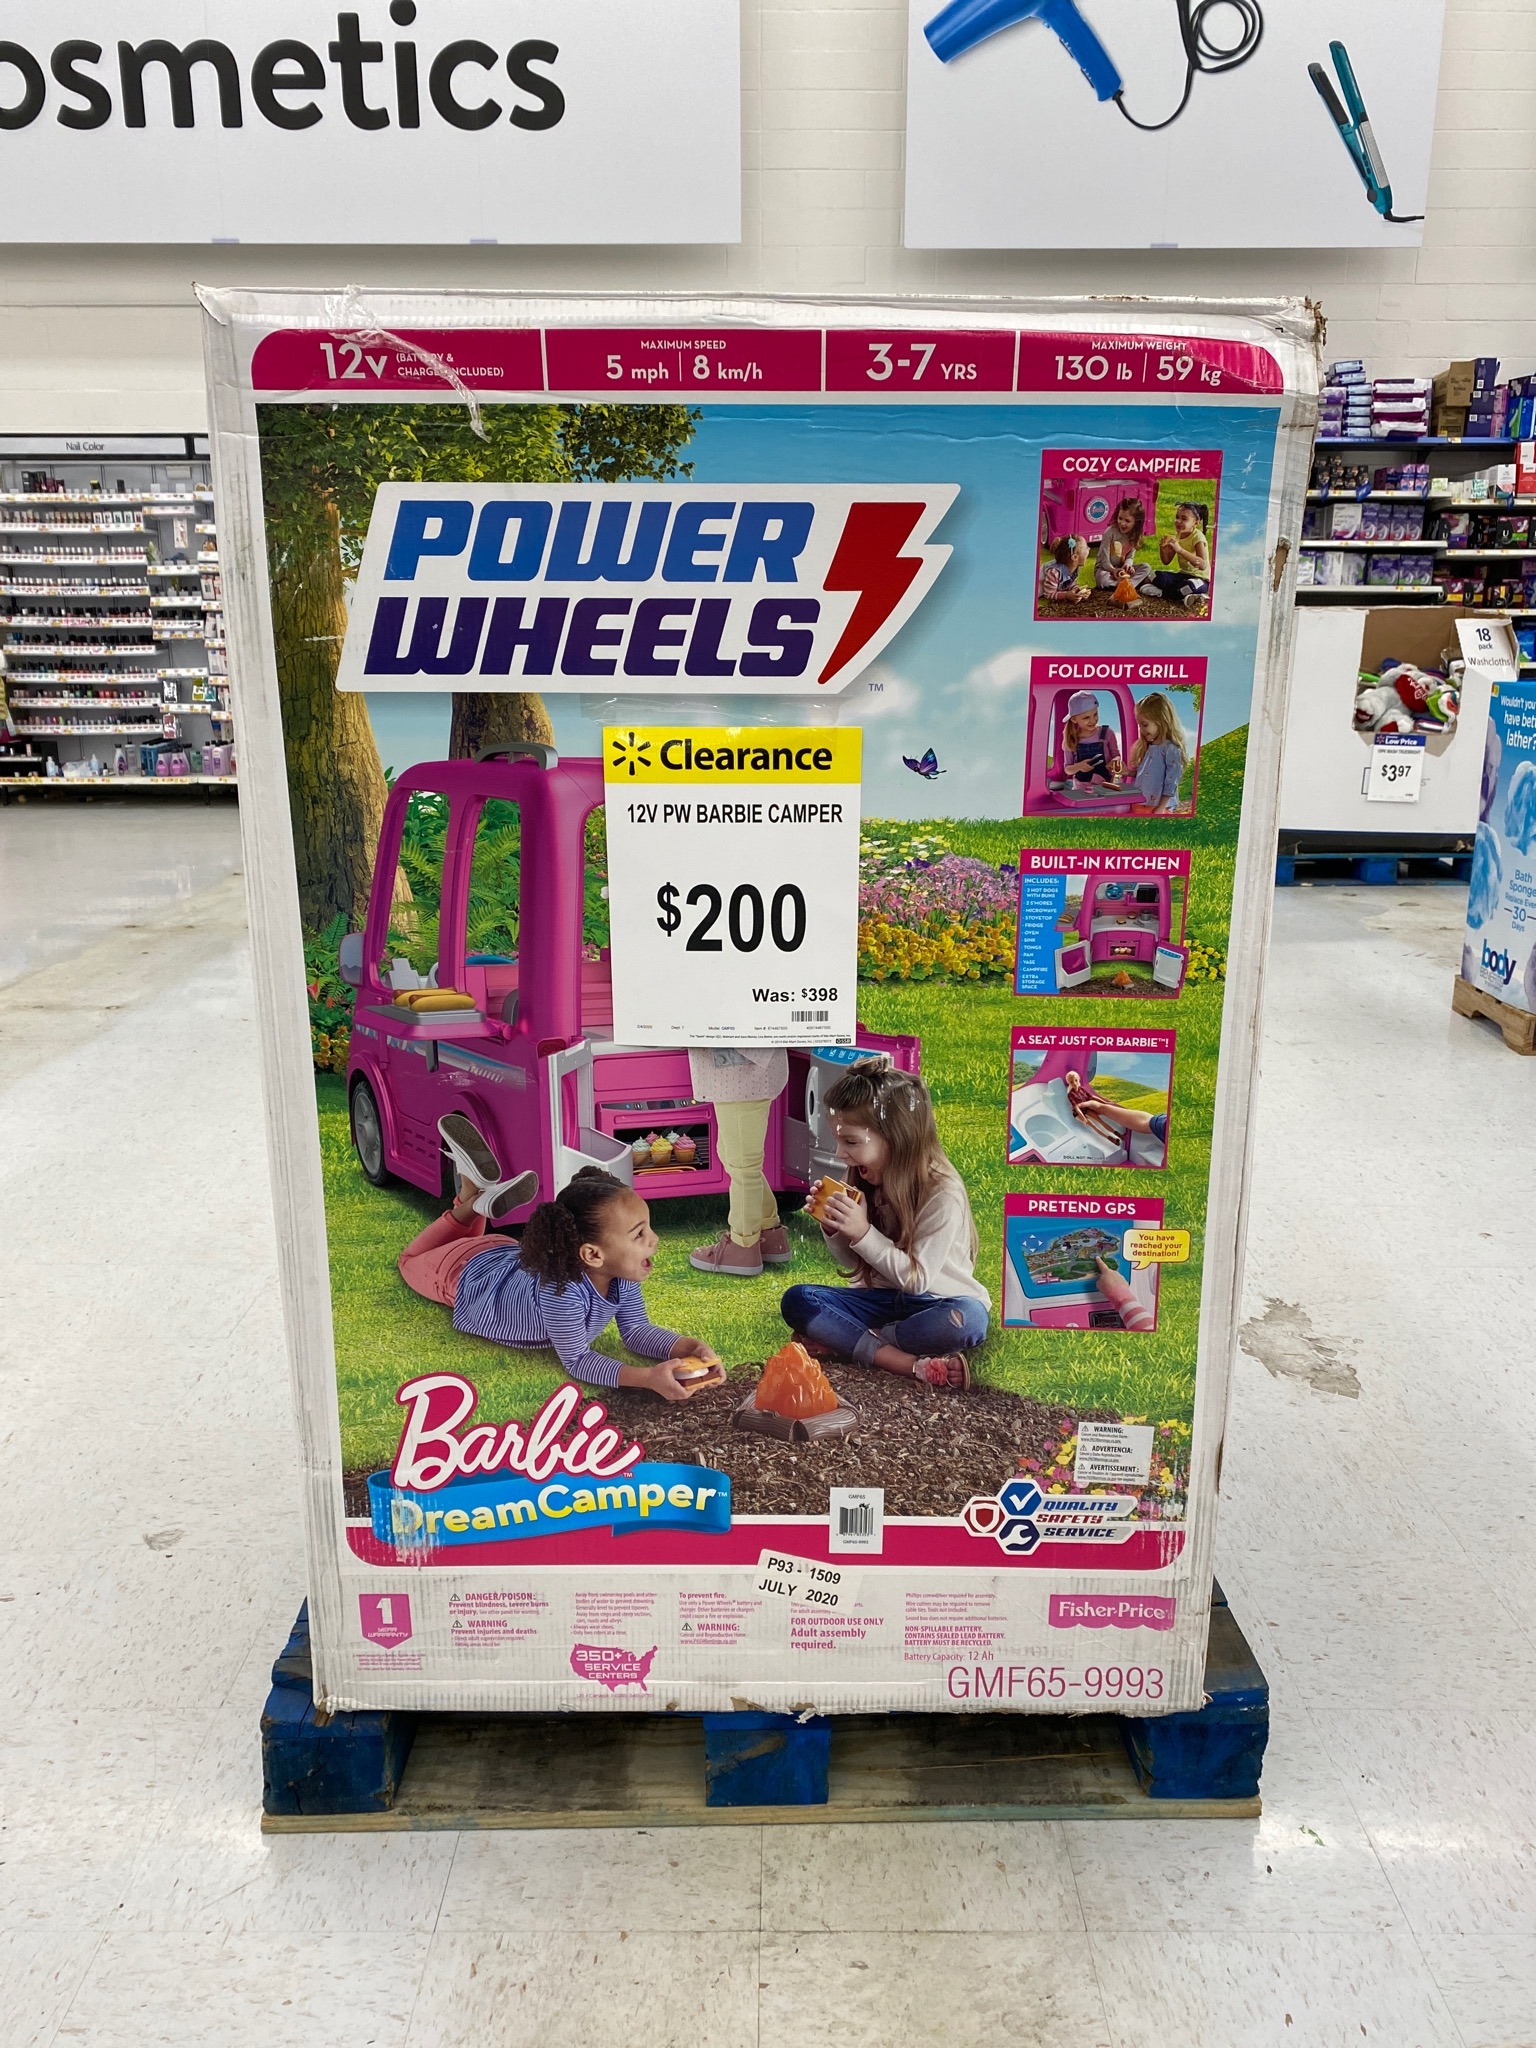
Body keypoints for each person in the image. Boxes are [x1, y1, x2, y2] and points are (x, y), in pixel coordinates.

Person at [396, 1113, 721, 1400]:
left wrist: (690, 1347)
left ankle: (475, 1198)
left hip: (502, 1253)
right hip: (459, 1272)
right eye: (639, 1234)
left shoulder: (620, 1274)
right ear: (592, 1254)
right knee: (409, 1260)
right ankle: (473, 1202)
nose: (655, 1239)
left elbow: (636, 1331)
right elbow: (578, 1360)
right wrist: (647, 1378)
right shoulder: (561, 1293)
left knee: (464, 1241)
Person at [780, 1060, 988, 1390]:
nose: (840, 1153)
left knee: (968, 1320)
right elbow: (857, 1262)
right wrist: (836, 1230)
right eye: (839, 1141)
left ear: (896, 1139)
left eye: (851, 1142)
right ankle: (905, 1361)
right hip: (877, 1300)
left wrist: (863, 1232)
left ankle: (863, 1342)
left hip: (934, 1302)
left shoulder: (942, 1192)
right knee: (798, 1299)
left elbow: (916, 1281)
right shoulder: (864, 1175)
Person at [689, 1047, 793, 1278]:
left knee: (743, 1165)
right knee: (732, 1156)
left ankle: (743, 1243)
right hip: (740, 1074)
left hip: (740, 1075)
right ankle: (769, 1232)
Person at [1123, 690, 1191, 814]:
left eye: (1144, 725)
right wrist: (1128, 772)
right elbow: (1147, 775)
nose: (1141, 730)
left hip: (1158, 807)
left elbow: (1171, 781)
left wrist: (1161, 807)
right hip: (1139, 803)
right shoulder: (1149, 746)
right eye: (1139, 725)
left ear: (1160, 721)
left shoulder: (1171, 749)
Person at [1150, 500, 1211, 612]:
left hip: (1200, 579)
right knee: (1154, 575)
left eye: (1184, 519)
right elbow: (1166, 562)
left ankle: (1162, 593)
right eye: (1177, 517)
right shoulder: (1178, 536)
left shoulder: (1198, 537)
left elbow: (1202, 564)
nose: (1178, 521)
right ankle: (1182, 595)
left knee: (1189, 586)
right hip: (1183, 575)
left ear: (1196, 523)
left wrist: (1180, 550)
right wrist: (1163, 550)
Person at [1061, 690, 1122, 787]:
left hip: (1105, 786)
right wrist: (1079, 766)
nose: (1093, 720)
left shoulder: (1107, 733)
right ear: (1074, 719)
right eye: (1086, 718)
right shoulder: (1071, 739)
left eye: (1095, 714)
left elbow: (1116, 756)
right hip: (1081, 789)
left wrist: (1115, 761)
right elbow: (1067, 769)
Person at [1095, 497, 1153, 594]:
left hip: (1122, 570)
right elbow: (1104, 562)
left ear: (1136, 522)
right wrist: (1114, 570)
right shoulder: (1110, 532)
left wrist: (1127, 565)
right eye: (1120, 518)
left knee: (1146, 567)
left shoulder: (1134, 535)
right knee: (1102, 579)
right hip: (1106, 569)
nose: (1122, 523)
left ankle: (1127, 585)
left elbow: (1130, 557)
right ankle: (1124, 585)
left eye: (1127, 521)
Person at [1038, 534, 1091, 604]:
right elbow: (1048, 594)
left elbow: (1070, 583)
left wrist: (1077, 591)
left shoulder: (1074, 568)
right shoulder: (1054, 572)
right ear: (1075, 557)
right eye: (1086, 547)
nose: (1089, 549)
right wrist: (1066, 595)